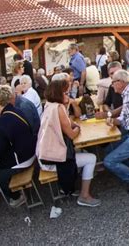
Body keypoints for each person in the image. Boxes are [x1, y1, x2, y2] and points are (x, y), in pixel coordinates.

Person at [37, 79, 101, 207]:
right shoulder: (59, 108)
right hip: (52, 160)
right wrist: (77, 128)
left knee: (80, 151)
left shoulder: (50, 105)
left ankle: (72, 184)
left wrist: (74, 124)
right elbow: (72, 134)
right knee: (91, 158)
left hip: (43, 154)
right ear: (57, 94)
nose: (68, 95)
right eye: (65, 93)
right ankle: (84, 196)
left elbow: (68, 121)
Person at [0, 85, 36, 207]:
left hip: (24, 159)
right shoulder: (16, 110)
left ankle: (17, 197)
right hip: (32, 151)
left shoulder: (4, 120)